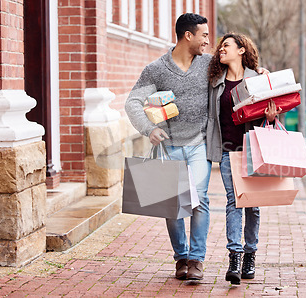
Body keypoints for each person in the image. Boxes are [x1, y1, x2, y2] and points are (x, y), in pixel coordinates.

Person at [125, 13, 212, 281]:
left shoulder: (209, 65)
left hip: (199, 145)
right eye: (204, 35)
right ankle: (181, 258)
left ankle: (196, 260)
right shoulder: (157, 70)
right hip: (169, 147)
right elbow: (132, 102)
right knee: (172, 204)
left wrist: (260, 71)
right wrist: (149, 129)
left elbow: (237, 73)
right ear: (189, 36)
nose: (208, 41)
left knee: (198, 199)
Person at [206, 33, 281, 285]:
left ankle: (250, 254)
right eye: (219, 47)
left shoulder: (258, 78)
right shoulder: (216, 82)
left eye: (226, 46)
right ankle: (234, 258)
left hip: (253, 149)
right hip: (228, 150)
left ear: (241, 50)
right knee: (233, 202)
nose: (220, 50)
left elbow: (268, 112)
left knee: (253, 204)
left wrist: (270, 117)